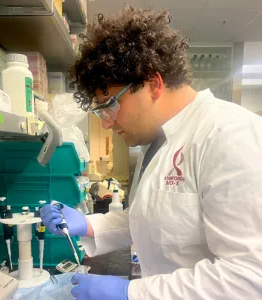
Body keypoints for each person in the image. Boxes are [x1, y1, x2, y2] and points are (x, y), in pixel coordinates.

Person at [40, 7, 262, 300]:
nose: (106, 122)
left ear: (153, 84)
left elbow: (249, 276)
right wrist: (90, 225)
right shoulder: (159, 141)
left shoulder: (227, 134)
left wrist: (132, 292)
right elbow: (158, 219)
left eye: (110, 105)